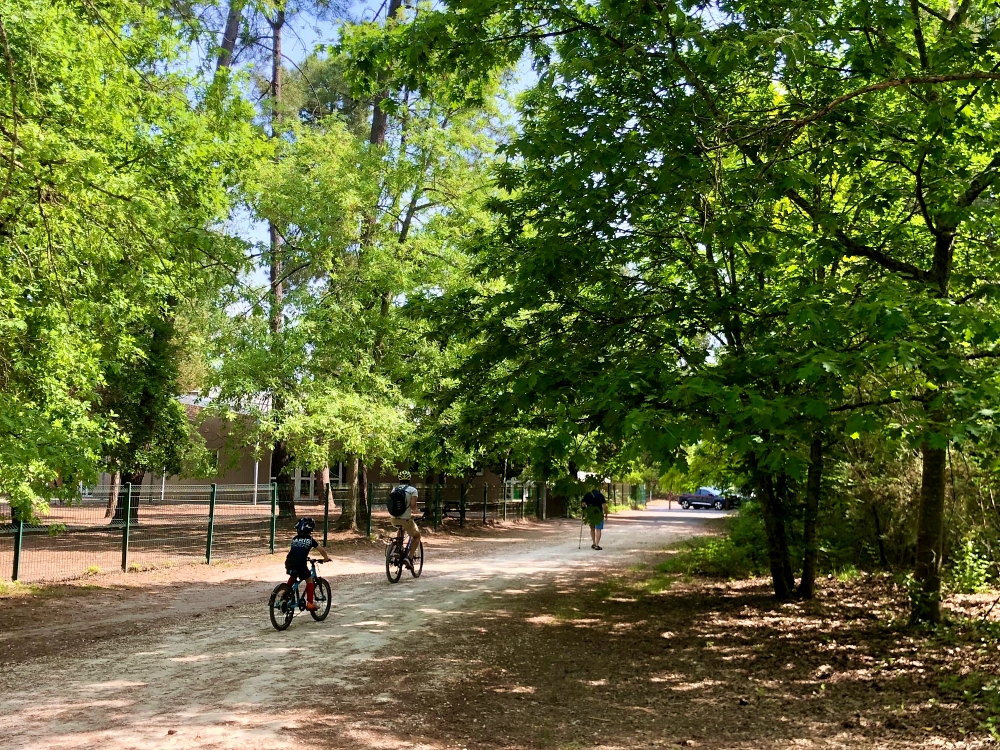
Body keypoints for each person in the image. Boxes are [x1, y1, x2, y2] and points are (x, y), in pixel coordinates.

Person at [284, 517, 330, 611]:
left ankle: (284, 592)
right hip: (300, 564)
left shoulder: (295, 539)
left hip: (289, 562)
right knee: (309, 580)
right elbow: (321, 550)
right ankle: (310, 603)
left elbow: (297, 551)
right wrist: (326, 558)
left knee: (293, 576)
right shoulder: (310, 540)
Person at [388, 480, 421, 567]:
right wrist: (416, 512)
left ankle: (397, 549)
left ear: (399, 481)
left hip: (393, 519)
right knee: (417, 536)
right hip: (406, 520)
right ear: (409, 481)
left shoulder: (394, 489)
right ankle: (409, 558)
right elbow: (413, 505)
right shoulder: (413, 490)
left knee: (401, 529)